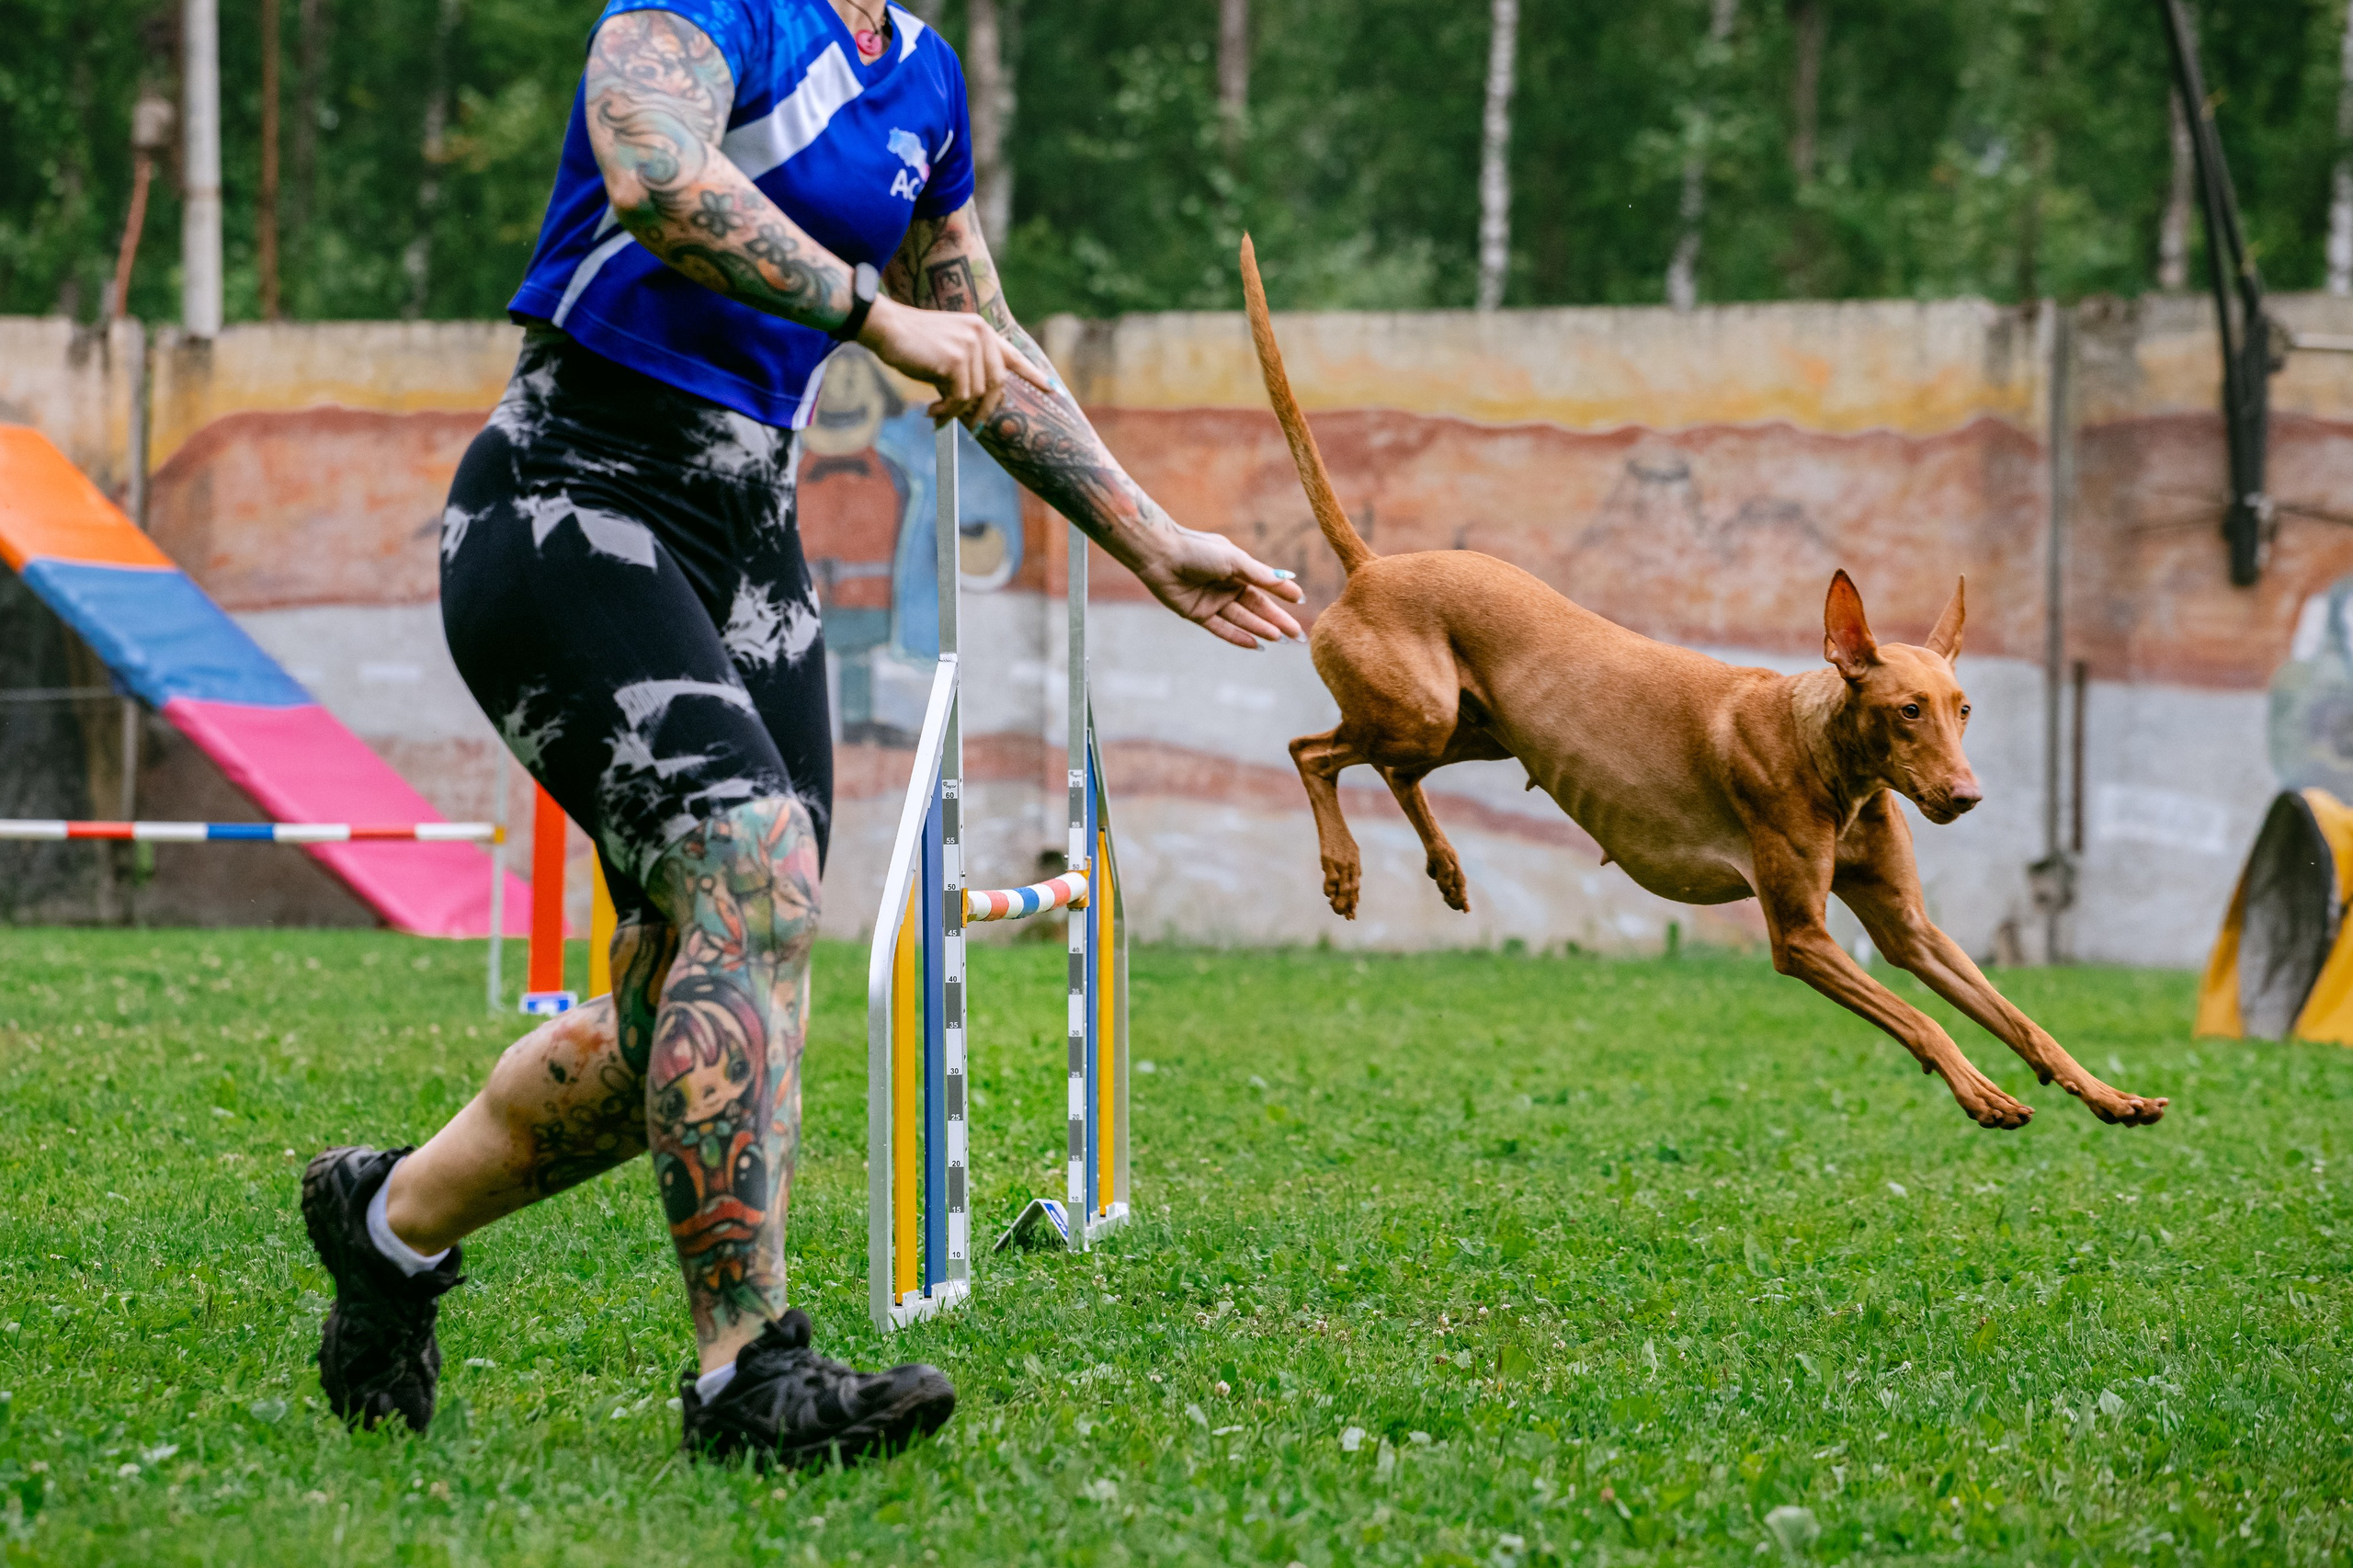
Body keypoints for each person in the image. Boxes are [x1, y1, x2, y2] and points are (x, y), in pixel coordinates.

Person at [299, 0, 1305, 1470]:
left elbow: (987, 338)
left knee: (683, 1027)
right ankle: (747, 1378)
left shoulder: (928, 79)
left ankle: (385, 1225)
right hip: (568, 492)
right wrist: (868, 310)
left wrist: (1150, 535)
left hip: (743, 533)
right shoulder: (716, 11)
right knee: (753, 863)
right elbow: (651, 172)